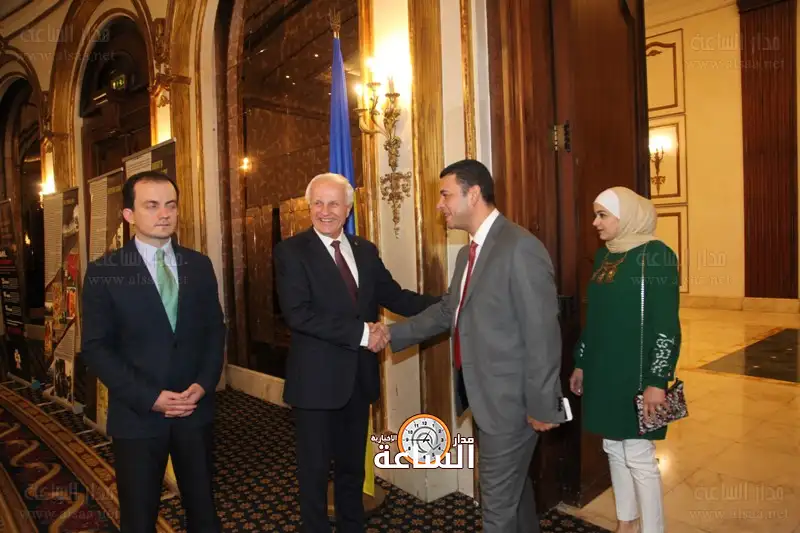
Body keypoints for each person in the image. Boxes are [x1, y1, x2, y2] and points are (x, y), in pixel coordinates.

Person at [386, 159, 569, 533]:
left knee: (496, 509)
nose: (440, 204)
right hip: (485, 399)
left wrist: (542, 404)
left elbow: (543, 333)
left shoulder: (520, 247)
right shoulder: (466, 253)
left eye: (445, 194)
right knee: (514, 496)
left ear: (473, 194)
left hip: (511, 404)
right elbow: (448, 311)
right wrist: (391, 334)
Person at [273, 173, 439, 533]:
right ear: (309, 207)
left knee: (352, 470)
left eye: (334, 203)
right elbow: (299, 314)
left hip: (358, 382)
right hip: (315, 384)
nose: (325, 211)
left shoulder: (365, 250)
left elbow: (395, 296)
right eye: (318, 203)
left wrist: (446, 306)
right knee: (314, 473)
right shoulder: (291, 251)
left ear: (348, 209)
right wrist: (364, 334)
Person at [81, 171, 225, 533]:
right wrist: (150, 397)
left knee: (204, 512)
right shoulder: (104, 272)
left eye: (170, 205)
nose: (164, 214)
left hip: (194, 409)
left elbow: (214, 332)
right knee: (139, 517)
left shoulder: (199, 265)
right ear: (129, 215)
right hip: (138, 416)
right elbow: (96, 348)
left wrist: (204, 384)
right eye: (152, 205)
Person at [569, 186, 681, 533]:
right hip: (603, 370)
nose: (595, 222)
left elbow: (666, 325)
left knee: (638, 455)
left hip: (637, 374)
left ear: (627, 216)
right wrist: (581, 361)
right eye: (595, 214)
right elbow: (595, 318)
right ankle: (626, 522)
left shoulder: (657, 255)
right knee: (613, 448)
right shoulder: (605, 255)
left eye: (602, 215)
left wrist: (657, 381)